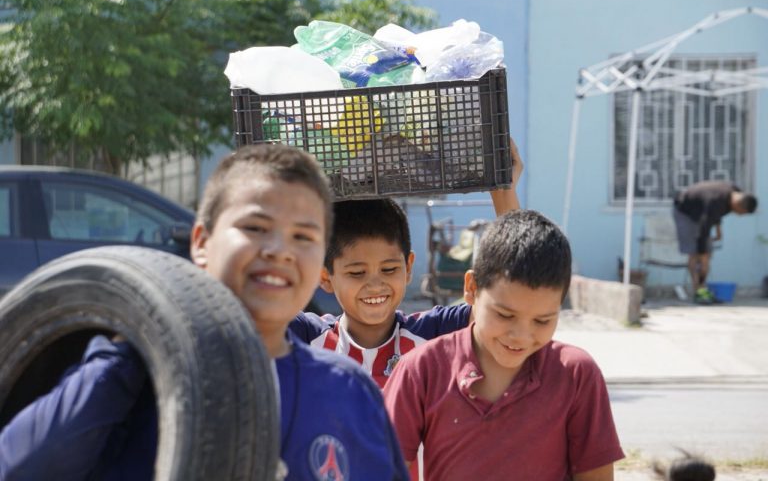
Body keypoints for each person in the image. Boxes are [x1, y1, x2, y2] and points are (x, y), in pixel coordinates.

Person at [0, 144, 409, 481]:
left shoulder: (350, 390)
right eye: (255, 227)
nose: (280, 249)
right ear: (201, 242)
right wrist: (128, 352)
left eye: (303, 235)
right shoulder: (134, 372)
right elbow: (20, 468)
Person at [382, 210, 625, 480]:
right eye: (505, 315)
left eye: (542, 320)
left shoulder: (576, 374)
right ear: (471, 288)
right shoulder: (422, 369)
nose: (521, 336)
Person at [289, 138, 523, 388]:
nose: (375, 284)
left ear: (408, 267)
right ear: (325, 276)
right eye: (357, 273)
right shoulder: (307, 337)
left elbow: (513, 300)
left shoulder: (433, 333)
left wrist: (504, 195)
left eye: (389, 269)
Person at [672, 180, 758, 304]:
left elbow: (717, 214)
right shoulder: (714, 201)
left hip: (702, 212)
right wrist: (703, 252)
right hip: (685, 211)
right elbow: (704, 227)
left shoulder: (734, 192)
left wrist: (718, 231)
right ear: (738, 205)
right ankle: (699, 291)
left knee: (706, 255)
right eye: (740, 213)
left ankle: (703, 289)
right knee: (695, 253)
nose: (738, 215)